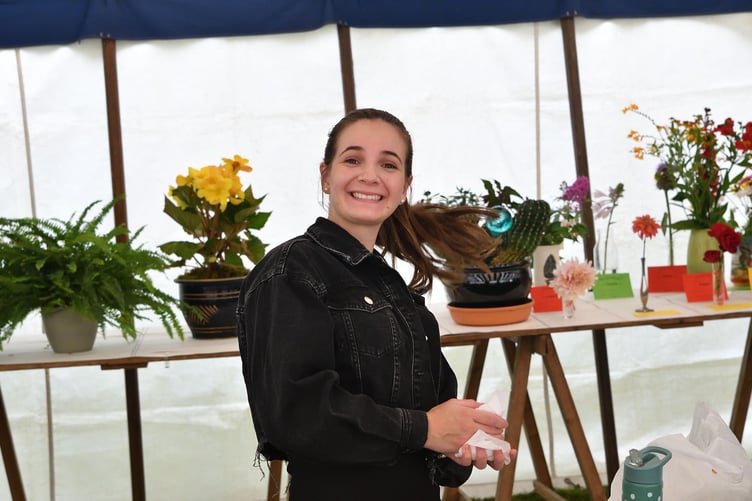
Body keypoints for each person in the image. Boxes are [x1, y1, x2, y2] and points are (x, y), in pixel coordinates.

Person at [237, 108, 517, 500]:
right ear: (325, 176)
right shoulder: (290, 272)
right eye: (353, 160)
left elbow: (429, 416)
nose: (370, 175)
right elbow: (297, 413)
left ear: (405, 187)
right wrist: (426, 429)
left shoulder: (395, 291)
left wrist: (459, 441)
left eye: (388, 164)